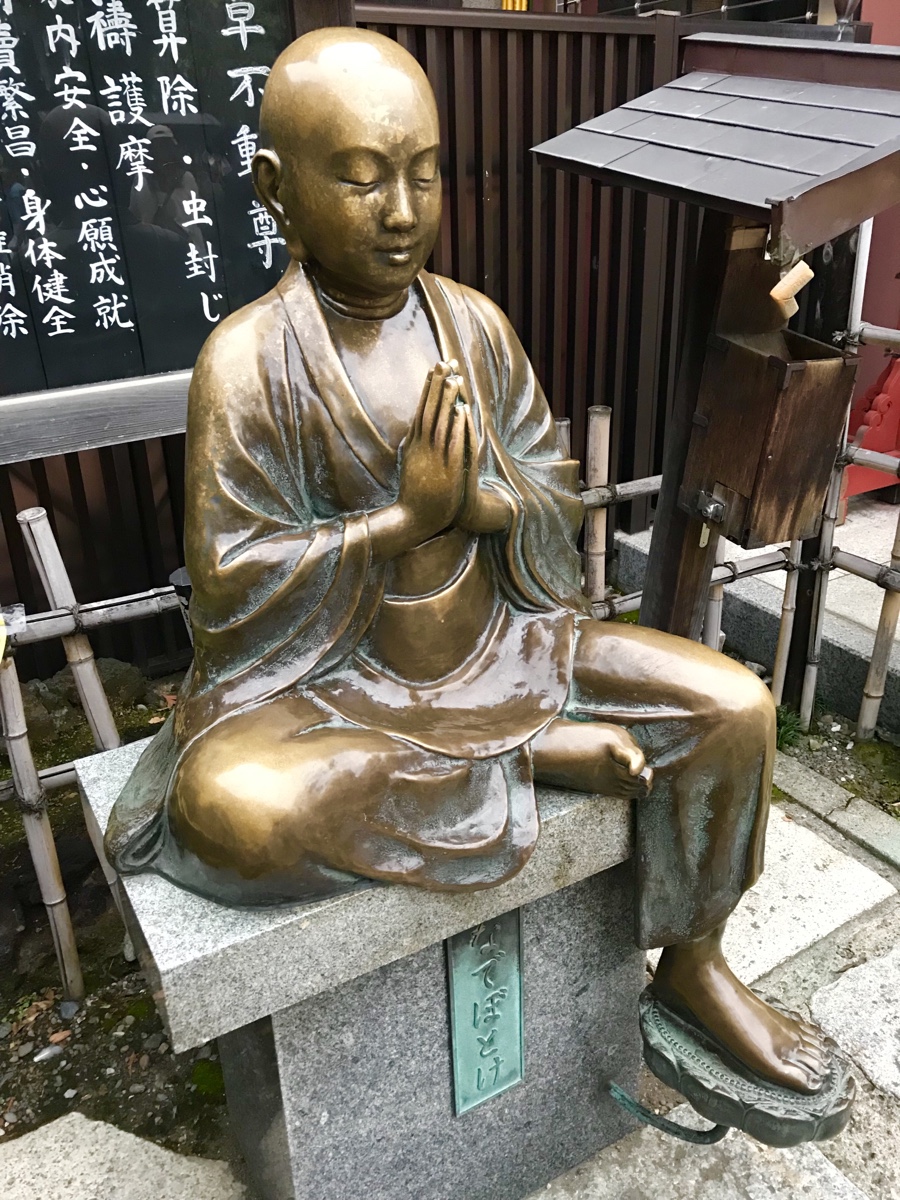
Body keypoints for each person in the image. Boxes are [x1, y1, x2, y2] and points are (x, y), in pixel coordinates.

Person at [106, 27, 831, 1096]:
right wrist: (401, 523)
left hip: (507, 647)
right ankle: (520, 764)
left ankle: (694, 961)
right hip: (332, 689)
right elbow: (230, 582)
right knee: (237, 810)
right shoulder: (250, 361)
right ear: (275, 189)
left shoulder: (474, 329)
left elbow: (553, 497)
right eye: (360, 181)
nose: (402, 212)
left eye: (423, 173)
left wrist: (486, 504)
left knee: (732, 708)